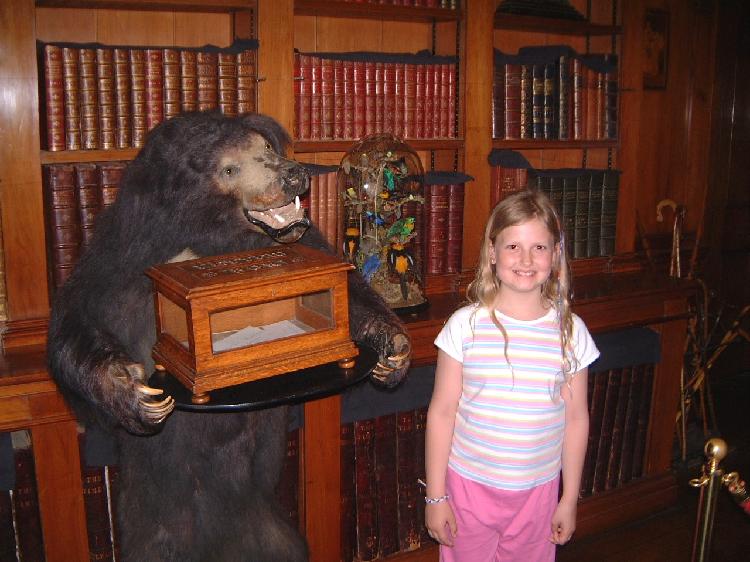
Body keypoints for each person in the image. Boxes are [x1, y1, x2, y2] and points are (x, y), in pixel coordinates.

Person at [424, 190, 599, 561]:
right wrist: (436, 497)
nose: (526, 259)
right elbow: (442, 412)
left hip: (538, 493)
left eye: (539, 247)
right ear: (492, 252)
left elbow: (576, 419)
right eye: (513, 246)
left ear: (556, 253)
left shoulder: (571, 333)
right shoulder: (464, 326)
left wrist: (569, 498)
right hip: (468, 489)